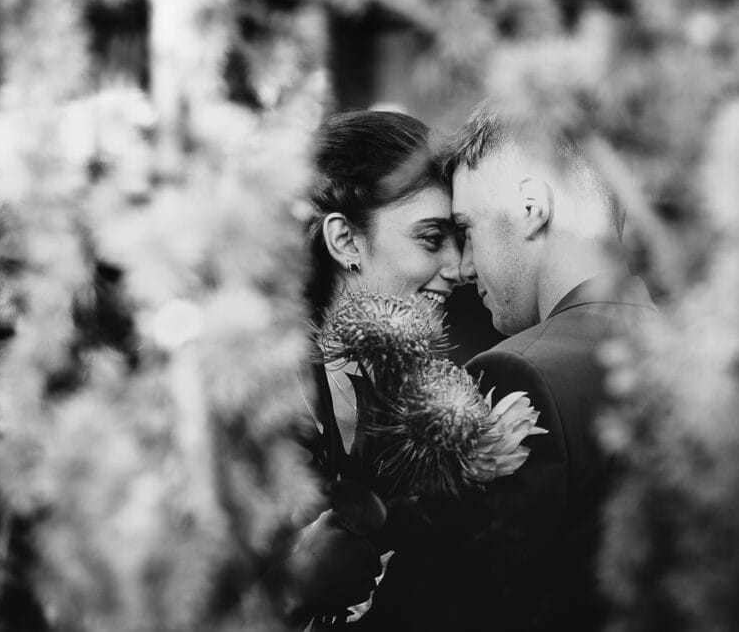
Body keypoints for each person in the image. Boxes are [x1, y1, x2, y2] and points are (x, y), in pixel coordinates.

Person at [357, 103, 659, 631]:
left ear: (531, 208)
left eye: (467, 228)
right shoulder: (691, 356)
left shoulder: (519, 376)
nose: (465, 266)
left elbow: (450, 612)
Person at [278, 108, 464, 626]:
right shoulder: (259, 389)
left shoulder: (405, 392)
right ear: (345, 241)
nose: (459, 268)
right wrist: (293, 591)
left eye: (462, 240)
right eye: (432, 239)